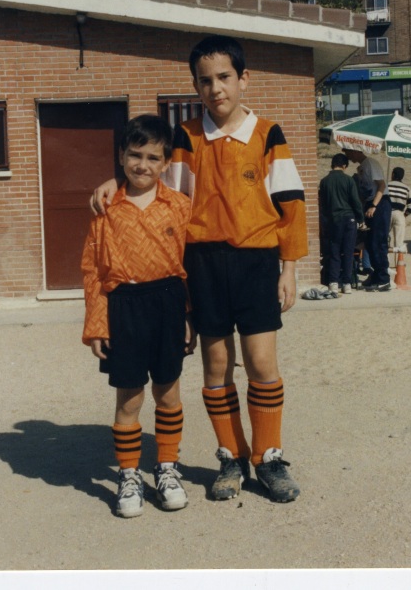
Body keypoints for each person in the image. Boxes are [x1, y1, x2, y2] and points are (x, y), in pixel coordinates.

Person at [91, 35, 306, 503]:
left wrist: (288, 270)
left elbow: (290, 205)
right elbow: (151, 178)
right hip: (203, 263)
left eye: (225, 77)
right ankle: (230, 456)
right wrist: (113, 179)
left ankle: (268, 458)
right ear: (195, 85)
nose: (216, 89)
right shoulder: (186, 137)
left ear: (243, 79)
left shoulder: (268, 133)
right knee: (215, 363)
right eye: (204, 81)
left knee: (261, 361)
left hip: (256, 260)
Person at [81, 115, 197, 518]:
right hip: (124, 307)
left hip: (168, 302)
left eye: (152, 157)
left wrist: (189, 316)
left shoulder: (180, 207)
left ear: (166, 163)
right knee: (129, 397)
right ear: (121, 156)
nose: (142, 165)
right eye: (135, 155)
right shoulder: (106, 208)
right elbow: (92, 269)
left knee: (168, 392)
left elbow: (189, 267)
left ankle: (166, 468)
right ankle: (129, 475)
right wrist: (97, 323)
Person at [344, 148, 391, 291]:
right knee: (369, 242)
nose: (347, 156)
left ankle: (383, 278)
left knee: (378, 241)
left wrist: (374, 206)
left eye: (348, 152)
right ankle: (376, 274)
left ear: (355, 151)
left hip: (380, 203)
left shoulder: (371, 163)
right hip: (369, 204)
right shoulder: (361, 167)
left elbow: (381, 185)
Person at [319, 153, 364, 295]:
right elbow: (355, 202)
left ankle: (333, 282)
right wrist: (360, 218)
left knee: (334, 250)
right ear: (344, 166)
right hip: (349, 218)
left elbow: (323, 204)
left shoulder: (324, 181)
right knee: (349, 251)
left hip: (333, 220)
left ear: (332, 164)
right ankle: (346, 283)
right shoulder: (349, 180)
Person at [386, 166, 411, 254]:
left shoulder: (386, 185)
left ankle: (385, 263)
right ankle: (398, 262)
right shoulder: (406, 188)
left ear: (393, 174)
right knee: (399, 241)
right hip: (399, 213)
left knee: (384, 238)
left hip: (386, 212)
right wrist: (405, 214)